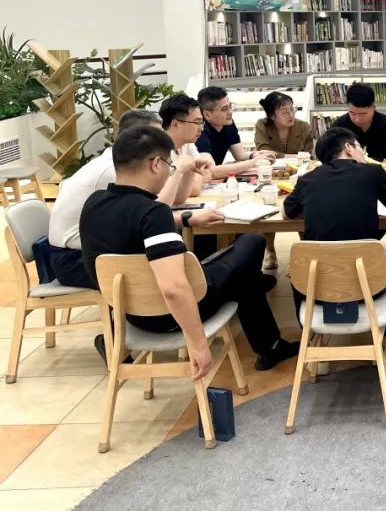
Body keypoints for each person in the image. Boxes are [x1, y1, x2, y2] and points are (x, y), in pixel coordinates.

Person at [79, 125, 298, 373]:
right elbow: (173, 288)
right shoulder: (153, 213)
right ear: (156, 164)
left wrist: (185, 218)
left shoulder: (94, 204)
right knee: (252, 243)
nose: (169, 171)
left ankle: (270, 346)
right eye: (170, 165)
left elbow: (133, 227)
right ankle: (269, 346)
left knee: (242, 273)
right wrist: (199, 344)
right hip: (171, 315)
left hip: (129, 315)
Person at [48, 109, 223, 291]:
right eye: (154, 136)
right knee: (183, 261)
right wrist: (178, 171)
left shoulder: (122, 162)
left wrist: (186, 180)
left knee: (200, 245)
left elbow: (159, 209)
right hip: (75, 260)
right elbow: (154, 212)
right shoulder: (115, 171)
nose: (162, 142)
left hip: (97, 249)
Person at [283, 127, 386, 320]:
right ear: (349, 148)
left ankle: (307, 327)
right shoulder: (373, 172)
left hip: (318, 290)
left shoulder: (307, 179)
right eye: (359, 147)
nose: (362, 152)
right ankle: (385, 324)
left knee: (300, 267)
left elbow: (286, 213)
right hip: (368, 286)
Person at [196, 86, 275, 175]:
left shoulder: (227, 124)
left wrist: (254, 155)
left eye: (230, 106)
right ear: (207, 114)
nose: (230, 112)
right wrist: (254, 162)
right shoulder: (199, 130)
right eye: (224, 109)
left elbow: (240, 155)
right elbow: (211, 171)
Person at [159, 94, 215, 195]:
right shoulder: (156, 148)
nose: (201, 129)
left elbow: (207, 173)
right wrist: (192, 178)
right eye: (197, 123)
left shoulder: (187, 144)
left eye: (201, 123)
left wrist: (186, 179)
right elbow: (194, 189)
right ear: (175, 124)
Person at [330, 82, 386, 160]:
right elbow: (331, 157)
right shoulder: (339, 127)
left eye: (362, 114)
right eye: (352, 113)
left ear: (373, 107)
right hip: (348, 168)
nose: (357, 119)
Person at [254, 91, 314, 156]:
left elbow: (308, 155)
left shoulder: (304, 127)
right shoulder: (262, 125)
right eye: (285, 112)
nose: (291, 115)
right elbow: (264, 152)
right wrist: (292, 157)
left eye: (292, 109)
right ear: (272, 116)